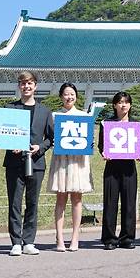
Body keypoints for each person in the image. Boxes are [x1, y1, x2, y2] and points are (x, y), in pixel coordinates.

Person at [4, 71, 54, 256]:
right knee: (15, 202)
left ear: (35, 86)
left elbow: (51, 138)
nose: (26, 86)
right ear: (19, 86)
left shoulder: (45, 111)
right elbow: (3, 133)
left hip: (36, 162)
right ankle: (16, 241)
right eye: (23, 83)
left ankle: (29, 241)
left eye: (30, 83)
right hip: (14, 162)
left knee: (32, 202)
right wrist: (11, 146)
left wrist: (39, 147)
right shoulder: (10, 108)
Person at [47, 83, 93, 252]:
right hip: (61, 160)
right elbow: (50, 137)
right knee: (60, 198)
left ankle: (75, 238)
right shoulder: (55, 116)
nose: (69, 97)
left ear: (76, 96)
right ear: (61, 96)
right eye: (66, 94)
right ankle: (59, 237)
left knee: (77, 198)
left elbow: (88, 139)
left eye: (72, 94)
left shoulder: (83, 116)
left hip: (78, 160)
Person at [98, 92, 138, 250]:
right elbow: (102, 145)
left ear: (130, 105)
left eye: (126, 102)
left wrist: (139, 152)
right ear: (114, 105)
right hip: (112, 167)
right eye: (120, 102)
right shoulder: (107, 123)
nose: (123, 105)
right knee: (110, 202)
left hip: (129, 167)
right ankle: (109, 238)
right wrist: (103, 152)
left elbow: (138, 144)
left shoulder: (136, 124)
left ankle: (127, 237)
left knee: (129, 202)